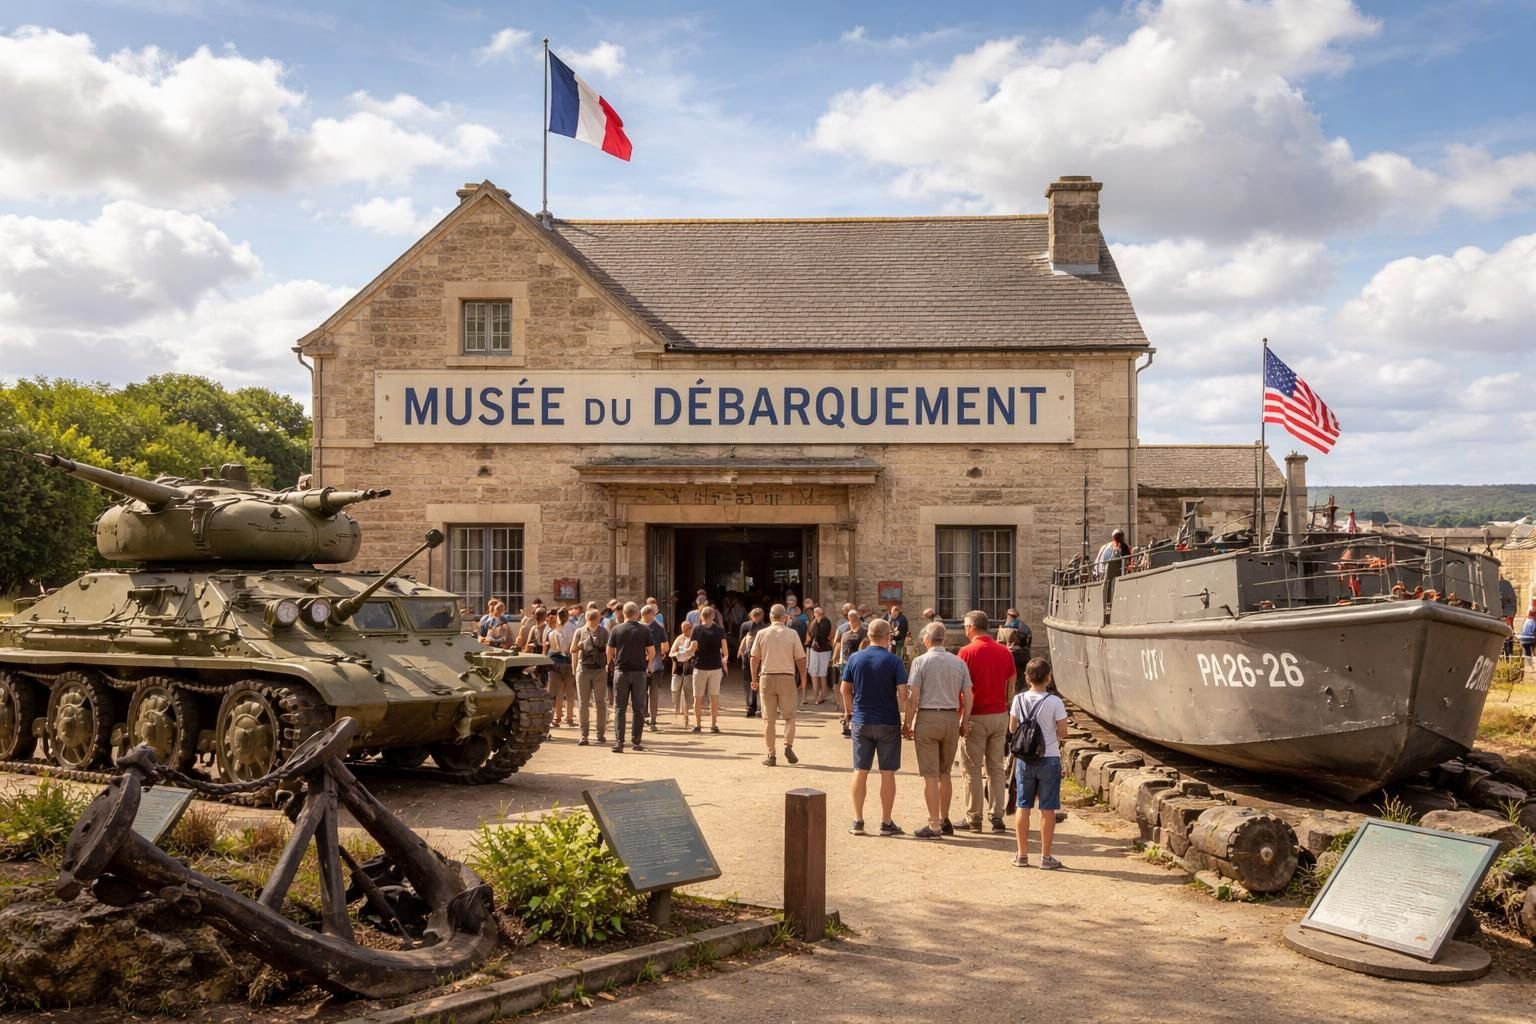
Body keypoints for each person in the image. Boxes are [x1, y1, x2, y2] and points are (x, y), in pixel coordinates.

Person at [902, 621, 972, 839]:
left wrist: (907, 722)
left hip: (928, 716)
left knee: (930, 775)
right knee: (945, 773)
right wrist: (964, 720)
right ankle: (944, 818)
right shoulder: (958, 662)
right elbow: (969, 694)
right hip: (951, 716)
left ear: (926, 639)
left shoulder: (920, 661)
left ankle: (933, 824)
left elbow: (914, 696)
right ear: (945, 639)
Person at [842, 619, 909, 836]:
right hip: (887, 720)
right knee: (887, 772)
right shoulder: (894, 661)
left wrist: (849, 711)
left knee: (860, 770)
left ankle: (858, 820)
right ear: (888, 636)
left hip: (862, 719)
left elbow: (845, 689)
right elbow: (902, 692)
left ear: (868, 635)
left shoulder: (855, 658)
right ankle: (886, 821)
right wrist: (904, 716)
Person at [955, 610, 1015, 834]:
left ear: (971, 627)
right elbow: (1011, 681)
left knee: (972, 769)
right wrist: (1006, 705)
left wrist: (962, 715)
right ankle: (997, 815)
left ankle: (974, 817)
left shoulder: (966, 652)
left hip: (976, 715)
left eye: (965, 626)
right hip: (999, 714)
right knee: (996, 768)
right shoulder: (1004, 652)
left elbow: (961, 687)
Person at [1010, 658, 1070, 868]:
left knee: (1023, 805)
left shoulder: (1018, 700)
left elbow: (1012, 729)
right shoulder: (1055, 702)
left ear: (1026, 678)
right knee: (1047, 808)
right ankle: (1045, 856)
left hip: (1025, 760)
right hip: (1049, 757)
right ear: (1048, 678)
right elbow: (1063, 732)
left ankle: (1021, 854)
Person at [750, 604, 808, 767]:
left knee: (769, 720)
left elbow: (754, 658)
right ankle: (788, 746)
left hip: (767, 677)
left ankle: (771, 754)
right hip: (786, 677)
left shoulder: (762, 633)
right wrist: (803, 679)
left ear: (770, 617)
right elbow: (801, 659)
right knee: (789, 717)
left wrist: (754, 679)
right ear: (785, 617)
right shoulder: (792, 634)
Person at [606, 602, 654, 753]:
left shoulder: (616, 629)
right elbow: (652, 651)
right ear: (637, 613)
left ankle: (619, 742)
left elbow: (609, 651)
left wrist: (612, 663)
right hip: (639, 672)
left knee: (620, 708)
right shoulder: (644, 630)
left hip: (621, 671)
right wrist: (648, 662)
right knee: (638, 708)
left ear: (624, 614)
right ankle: (636, 741)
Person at [571, 608, 609, 746]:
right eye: (598, 618)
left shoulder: (604, 632)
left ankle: (599, 734)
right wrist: (584, 644)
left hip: (598, 670)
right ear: (594, 619)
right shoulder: (580, 632)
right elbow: (572, 650)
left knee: (599, 703)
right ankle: (585, 734)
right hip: (585, 670)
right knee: (584, 704)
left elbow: (609, 649)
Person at [690, 606, 729, 734]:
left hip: (700, 666)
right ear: (713, 616)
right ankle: (713, 724)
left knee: (698, 698)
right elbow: (725, 651)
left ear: (701, 616)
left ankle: (698, 724)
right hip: (715, 667)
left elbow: (692, 649)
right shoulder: (720, 630)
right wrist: (724, 661)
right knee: (714, 697)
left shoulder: (696, 629)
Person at [836, 609, 867, 737]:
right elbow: (842, 648)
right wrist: (839, 660)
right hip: (847, 665)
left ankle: (857, 721)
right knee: (846, 692)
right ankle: (847, 720)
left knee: (858, 693)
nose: (851, 621)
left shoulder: (864, 632)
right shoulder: (845, 633)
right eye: (850, 618)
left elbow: (866, 646)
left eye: (853, 618)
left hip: (860, 665)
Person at [641, 605, 669, 731]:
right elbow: (666, 647)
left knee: (641, 693)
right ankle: (652, 720)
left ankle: (642, 719)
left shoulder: (638, 626)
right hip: (656, 664)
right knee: (653, 694)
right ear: (651, 614)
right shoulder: (659, 628)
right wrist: (661, 653)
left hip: (641, 665)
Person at [737, 607, 767, 717]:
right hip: (749, 655)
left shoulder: (764, 627)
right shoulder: (746, 626)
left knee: (755, 680)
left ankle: (753, 704)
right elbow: (741, 640)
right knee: (749, 680)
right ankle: (751, 704)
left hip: (757, 655)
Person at [670, 618, 696, 728]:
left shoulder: (694, 639)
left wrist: (688, 656)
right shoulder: (679, 638)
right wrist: (678, 656)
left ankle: (686, 717)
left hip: (689, 669)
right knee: (675, 691)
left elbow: (694, 652)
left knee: (687, 693)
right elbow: (671, 652)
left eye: (686, 629)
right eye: (683, 630)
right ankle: (677, 713)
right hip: (678, 668)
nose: (684, 632)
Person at [807, 605, 834, 705]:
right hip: (815, 649)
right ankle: (816, 695)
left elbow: (823, 635)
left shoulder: (825, 621)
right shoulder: (814, 622)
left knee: (822, 673)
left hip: (823, 650)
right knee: (814, 672)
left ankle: (823, 695)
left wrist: (816, 641)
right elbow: (811, 633)